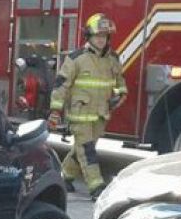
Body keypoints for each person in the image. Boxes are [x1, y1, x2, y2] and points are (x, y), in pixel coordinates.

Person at [49, 13, 127, 200]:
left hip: (101, 114)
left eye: (104, 36)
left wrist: (120, 96)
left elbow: (120, 84)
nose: (101, 40)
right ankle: (96, 187)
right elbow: (62, 84)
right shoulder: (76, 58)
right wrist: (55, 111)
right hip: (80, 114)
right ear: (89, 36)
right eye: (97, 36)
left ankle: (64, 176)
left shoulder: (113, 59)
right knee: (88, 151)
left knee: (82, 149)